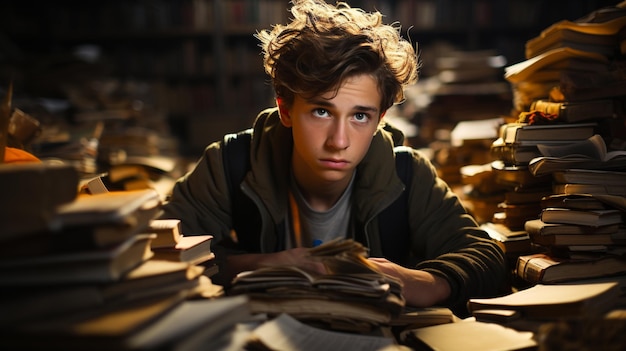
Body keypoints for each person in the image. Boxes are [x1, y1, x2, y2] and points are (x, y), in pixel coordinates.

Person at [160, 0, 507, 316]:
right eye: (322, 112)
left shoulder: (406, 172)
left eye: (360, 116)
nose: (339, 142)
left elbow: (487, 256)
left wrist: (428, 283)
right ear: (285, 110)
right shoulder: (230, 162)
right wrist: (265, 264)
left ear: (380, 120)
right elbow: (155, 254)